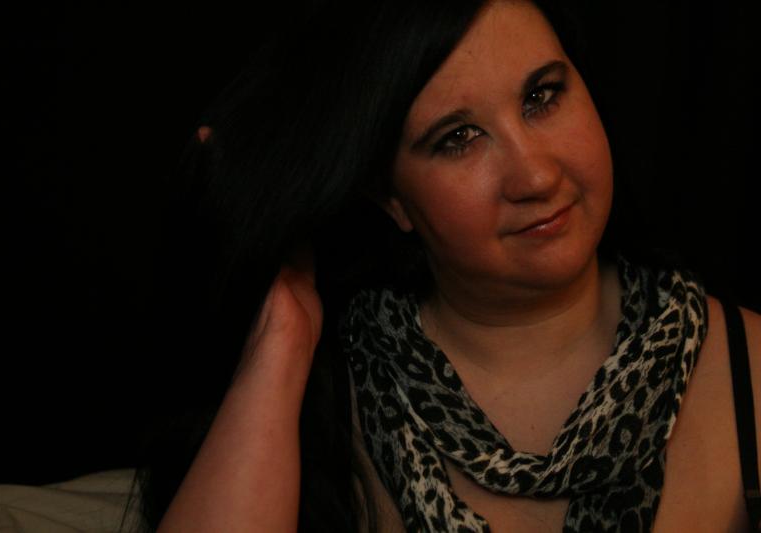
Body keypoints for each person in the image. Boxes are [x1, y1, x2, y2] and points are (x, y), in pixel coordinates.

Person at [124, 1, 761, 531]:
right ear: (391, 198)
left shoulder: (752, 371)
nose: (536, 176)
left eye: (542, 96)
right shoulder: (325, 405)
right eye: (458, 137)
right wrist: (281, 342)